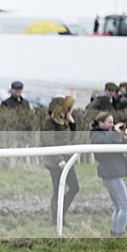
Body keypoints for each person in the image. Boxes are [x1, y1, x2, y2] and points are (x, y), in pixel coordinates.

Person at [90, 112, 127, 237]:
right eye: (109, 122)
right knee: (125, 206)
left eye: (113, 122)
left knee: (118, 207)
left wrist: (125, 138)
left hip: (112, 173)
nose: (112, 125)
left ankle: (114, 235)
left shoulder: (109, 134)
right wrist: (114, 132)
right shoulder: (96, 134)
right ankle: (119, 235)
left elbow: (120, 149)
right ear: (100, 123)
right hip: (111, 174)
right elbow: (103, 143)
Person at [41, 96, 79, 227]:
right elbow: (49, 143)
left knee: (74, 188)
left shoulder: (63, 121)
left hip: (66, 160)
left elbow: (71, 138)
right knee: (57, 190)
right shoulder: (49, 122)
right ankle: (56, 219)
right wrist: (59, 160)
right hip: (55, 162)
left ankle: (60, 216)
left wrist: (72, 123)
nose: (67, 111)